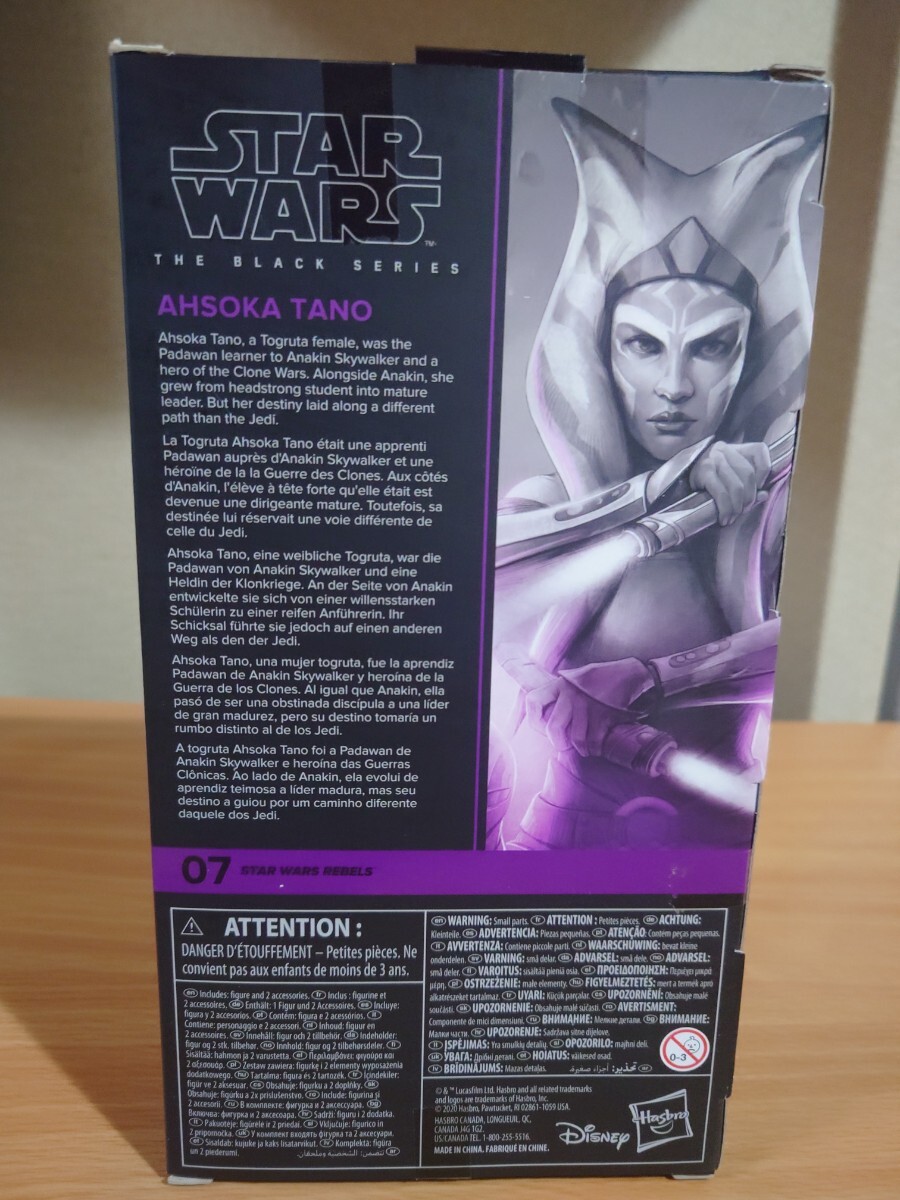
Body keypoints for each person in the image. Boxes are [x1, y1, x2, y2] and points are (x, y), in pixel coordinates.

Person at [488, 102, 826, 851]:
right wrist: (655, 490)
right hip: (557, 834)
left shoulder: (777, 510)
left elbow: (819, 638)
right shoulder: (553, 500)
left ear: (749, 358)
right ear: (599, 352)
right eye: (643, 345)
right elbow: (471, 584)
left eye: (711, 346)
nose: (674, 386)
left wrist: (653, 676)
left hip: (720, 845)